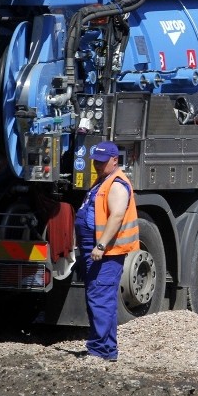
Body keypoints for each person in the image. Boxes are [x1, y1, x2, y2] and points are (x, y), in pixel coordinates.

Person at [74, 141, 140, 360]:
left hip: (106, 252)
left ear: (115, 160)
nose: (97, 166)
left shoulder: (117, 184)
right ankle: (105, 349)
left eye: (102, 162)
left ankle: (101, 350)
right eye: (95, 162)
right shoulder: (103, 181)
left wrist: (100, 245)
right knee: (98, 297)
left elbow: (117, 216)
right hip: (95, 250)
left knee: (100, 298)